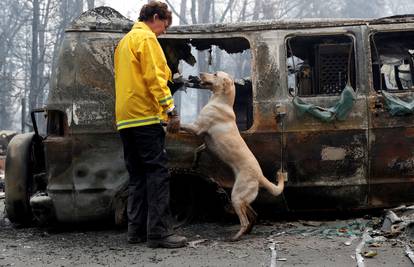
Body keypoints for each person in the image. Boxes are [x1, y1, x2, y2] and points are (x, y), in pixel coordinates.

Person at [114, 1, 186, 248]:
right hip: (145, 115)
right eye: (164, 25)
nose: (164, 31)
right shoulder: (146, 40)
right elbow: (154, 78)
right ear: (155, 17)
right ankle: (159, 233)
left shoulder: (124, 42)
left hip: (125, 118)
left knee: (137, 175)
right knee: (157, 173)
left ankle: (136, 231)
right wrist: (171, 109)